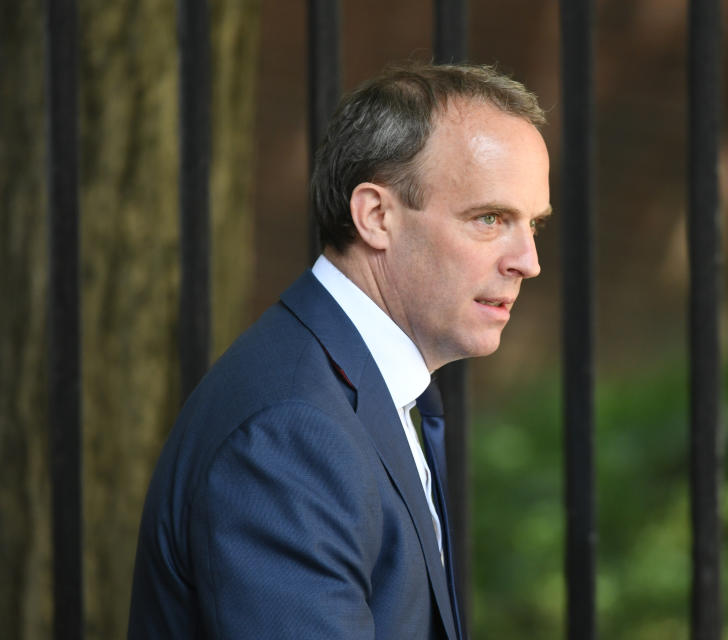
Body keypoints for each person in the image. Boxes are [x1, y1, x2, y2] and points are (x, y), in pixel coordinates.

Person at [127, 62, 551, 639]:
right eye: (490, 219)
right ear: (376, 216)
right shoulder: (292, 432)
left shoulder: (368, 387)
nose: (527, 260)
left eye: (533, 225)